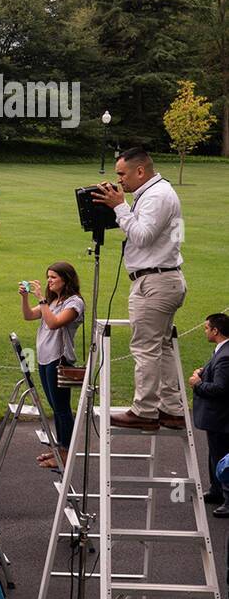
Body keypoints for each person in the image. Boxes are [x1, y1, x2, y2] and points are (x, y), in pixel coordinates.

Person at [93, 149, 187, 431]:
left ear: (140, 171)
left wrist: (120, 208)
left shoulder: (157, 196)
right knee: (162, 346)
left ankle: (145, 411)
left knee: (145, 347)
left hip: (154, 281)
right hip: (164, 279)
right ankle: (172, 409)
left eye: (122, 173)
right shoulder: (155, 192)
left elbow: (143, 237)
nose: (119, 180)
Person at [20, 262, 85, 468]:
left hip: (59, 359)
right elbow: (29, 315)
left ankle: (67, 451)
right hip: (45, 358)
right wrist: (25, 298)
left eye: (53, 277)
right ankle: (60, 448)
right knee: (55, 407)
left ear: (66, 279)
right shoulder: (54, 301)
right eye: (48, 277)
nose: (49, 281)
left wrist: (41, 299)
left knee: (62, 407)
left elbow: (54, 323)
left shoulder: (74, 303)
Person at [191, 314, 229, 518]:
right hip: (218, 418)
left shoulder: (225, 356)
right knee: (215, 454)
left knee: (222, 456)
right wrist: (203, 372)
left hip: (220, 417)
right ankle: (216, 491)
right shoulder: (222, 352)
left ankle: (227, 498)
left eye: (207, 328)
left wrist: (198, 384)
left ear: (216, 331)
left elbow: (220, 389)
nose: (205, 330)